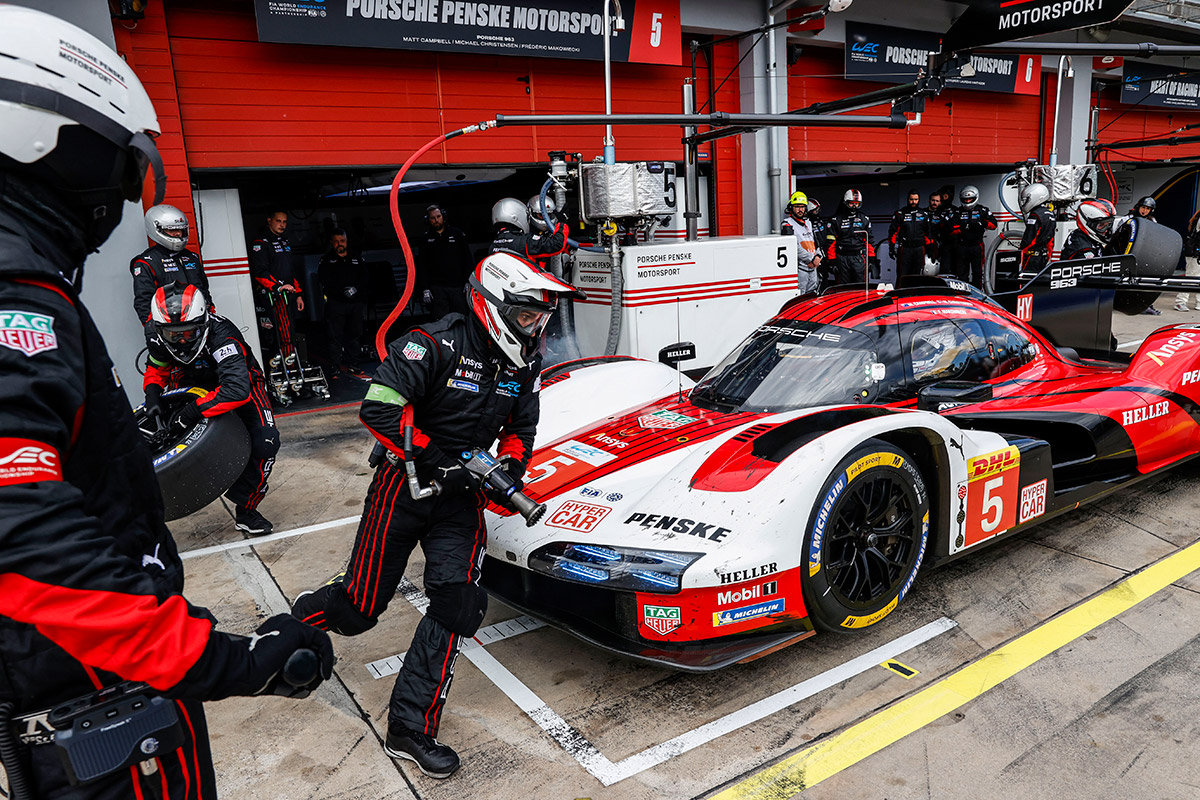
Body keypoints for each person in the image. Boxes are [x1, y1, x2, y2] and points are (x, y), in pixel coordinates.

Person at [0, 8, 333, 798]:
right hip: (99, 710)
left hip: (74, 692)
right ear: (52, 137)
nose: (120, 189)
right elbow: (20, 530)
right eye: (120, 162)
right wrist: (224, 659)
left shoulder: (41, 283)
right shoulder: (16, 294)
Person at [291, 252, 584, 779]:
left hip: (461, 500)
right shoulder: (432, 343)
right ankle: (298, 621)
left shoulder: (525, 364)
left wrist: (510, 471)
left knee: (459, 605)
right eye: (525, 315)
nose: (535, 326)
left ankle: (409, 727)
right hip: (402, 490)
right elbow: (376, 409)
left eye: (540, 317)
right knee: (359, 611)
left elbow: (522, 428)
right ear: (492, 304)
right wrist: (437, 459)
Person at [144, 284, 281, 535]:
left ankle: (247, 509)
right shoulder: (154, 332)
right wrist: (152, 391)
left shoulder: (223, 335)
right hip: (189, 380)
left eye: (189, 332)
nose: (183, 340)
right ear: (161, 329)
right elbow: (157, 365)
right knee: (163, 421)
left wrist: (192, 412)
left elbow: (236, 391)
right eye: (174, 335)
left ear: (204, 323)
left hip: (239, 380)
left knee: (266, 440)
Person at [130, 203, 212, 323]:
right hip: (172, 326)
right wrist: (154, 330)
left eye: (180, 229)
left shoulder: (192, 257)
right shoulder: (146, 263)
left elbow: (204, 290)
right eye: (171, 230)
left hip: (201, 321)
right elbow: (143, 302)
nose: (177, 234)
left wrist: (211, 313)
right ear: (157, 229)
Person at [249, 209, 305, 362]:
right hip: (275, 295)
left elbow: (290, 272)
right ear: (269, 221)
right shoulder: (261, 243)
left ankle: (291, 362)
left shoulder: (285, 242)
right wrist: (278, 287)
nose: (282, 225)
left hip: (289, 294)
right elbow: (260, 273)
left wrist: (299, 294)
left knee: (290, 330)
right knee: (283, 331)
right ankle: (288, 365)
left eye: (284, 222)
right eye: (278, 221)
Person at [318, 227, 370, 380]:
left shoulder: (357, 258)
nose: (339, 244)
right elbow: (324, 280)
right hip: (336, 304)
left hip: (355, 303)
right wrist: (342, 291)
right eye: (336, 241)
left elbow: (365, 278)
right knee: (334, 336)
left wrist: (356, 290)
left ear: (346, 241)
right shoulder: (326, 260)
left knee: (354, 335)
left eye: (342, 241)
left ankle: (354, 364)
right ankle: (335, 367)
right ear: (331, 243)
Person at [416, 204, 473, 319]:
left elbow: (467, 259)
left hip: (457, 285)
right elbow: (422, 265)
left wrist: (469, 281)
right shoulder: (425, 239)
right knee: (442, 320)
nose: (436, 220)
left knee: (462, 317)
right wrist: (425, 288)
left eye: (438, 216)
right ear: (428, 220)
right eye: (433, 218)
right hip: (437, 287)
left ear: (443, 216)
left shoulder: (456, 234)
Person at [945, 185, 998, 288]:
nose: (968, 201)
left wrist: (981, 224)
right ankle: (962, 294)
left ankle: (977, 293)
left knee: (977, 273)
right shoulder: (957, 212)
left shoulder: (982, 210)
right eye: (966, 199)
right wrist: (962, 228)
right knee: (961, 273)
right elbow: (949, 229)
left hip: (977, 246)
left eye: (970, 199)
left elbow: (994, 225)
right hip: (962, 246)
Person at [490, 197, 570, 265]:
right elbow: (556, 244)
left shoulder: (495, 244)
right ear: (516, 216)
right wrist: (562, 223)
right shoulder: (522, 241)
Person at [826, 189, 875, 286]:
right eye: (852, 203)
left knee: (861, 286)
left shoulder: (864, 219)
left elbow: (869, 240)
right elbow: (831, 242)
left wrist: (871, 259)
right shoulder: (835, 219)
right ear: (846, 202)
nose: (854, 206)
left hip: (859, 257)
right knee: (842, 287)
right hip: (842, 258)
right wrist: (831, 261)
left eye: (856, 204)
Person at [782, 191, 822, 294]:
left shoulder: (808, 223)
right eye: (797, 206)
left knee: (813, 297)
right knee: (800, 298)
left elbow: (817, 243)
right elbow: (793, 247)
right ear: (791, 207)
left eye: (802, 207)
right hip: (800, 270)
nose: (800, 210)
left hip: (813, 269)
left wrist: (818, 256)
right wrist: (811, 258)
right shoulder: (787, 224)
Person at [888, 191, 933, 280]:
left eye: (916, 199)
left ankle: (916, 293)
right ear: (908, 199)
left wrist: (930, 247)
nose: (913, 202)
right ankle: (900, 293)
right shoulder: (900, 214)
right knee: (902, 275)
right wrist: (891, 247)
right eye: (911, 199)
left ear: (918, 200)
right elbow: (893, 232)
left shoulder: (924, 214)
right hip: (905, 249)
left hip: (919, 249)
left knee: (918, 275)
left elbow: (928, 233)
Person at [1177, 209, 1200, 312]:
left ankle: (1199, 303)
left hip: (1195, 251)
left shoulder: (1197, 216)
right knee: (1191, 277)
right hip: (1195, 252)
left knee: (1196, 277)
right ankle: (1180, 302)